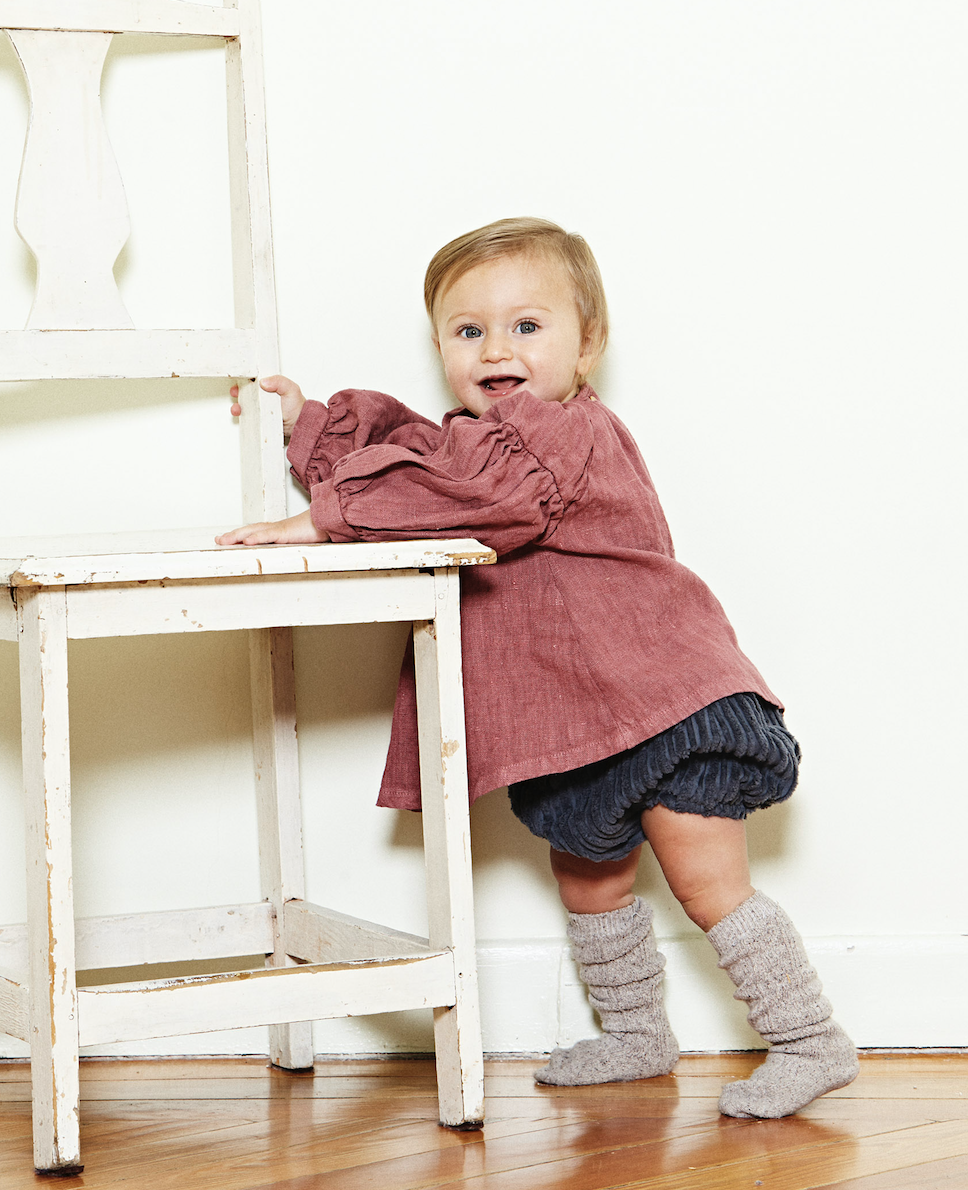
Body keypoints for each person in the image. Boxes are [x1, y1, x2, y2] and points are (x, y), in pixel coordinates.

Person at [217, 216, 858, 1118]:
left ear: (587, 341)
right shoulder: (475, 441)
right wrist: (309, 425)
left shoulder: (555, 434)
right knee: (588, 876)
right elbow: (417, 462)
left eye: (527, 325)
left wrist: (322, 519)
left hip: (660, 696)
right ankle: (637, 1032)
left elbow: (473, 498)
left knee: (706, 878)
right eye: (467, 329)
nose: (495, 348)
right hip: (576, 721)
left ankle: (808, 1039)